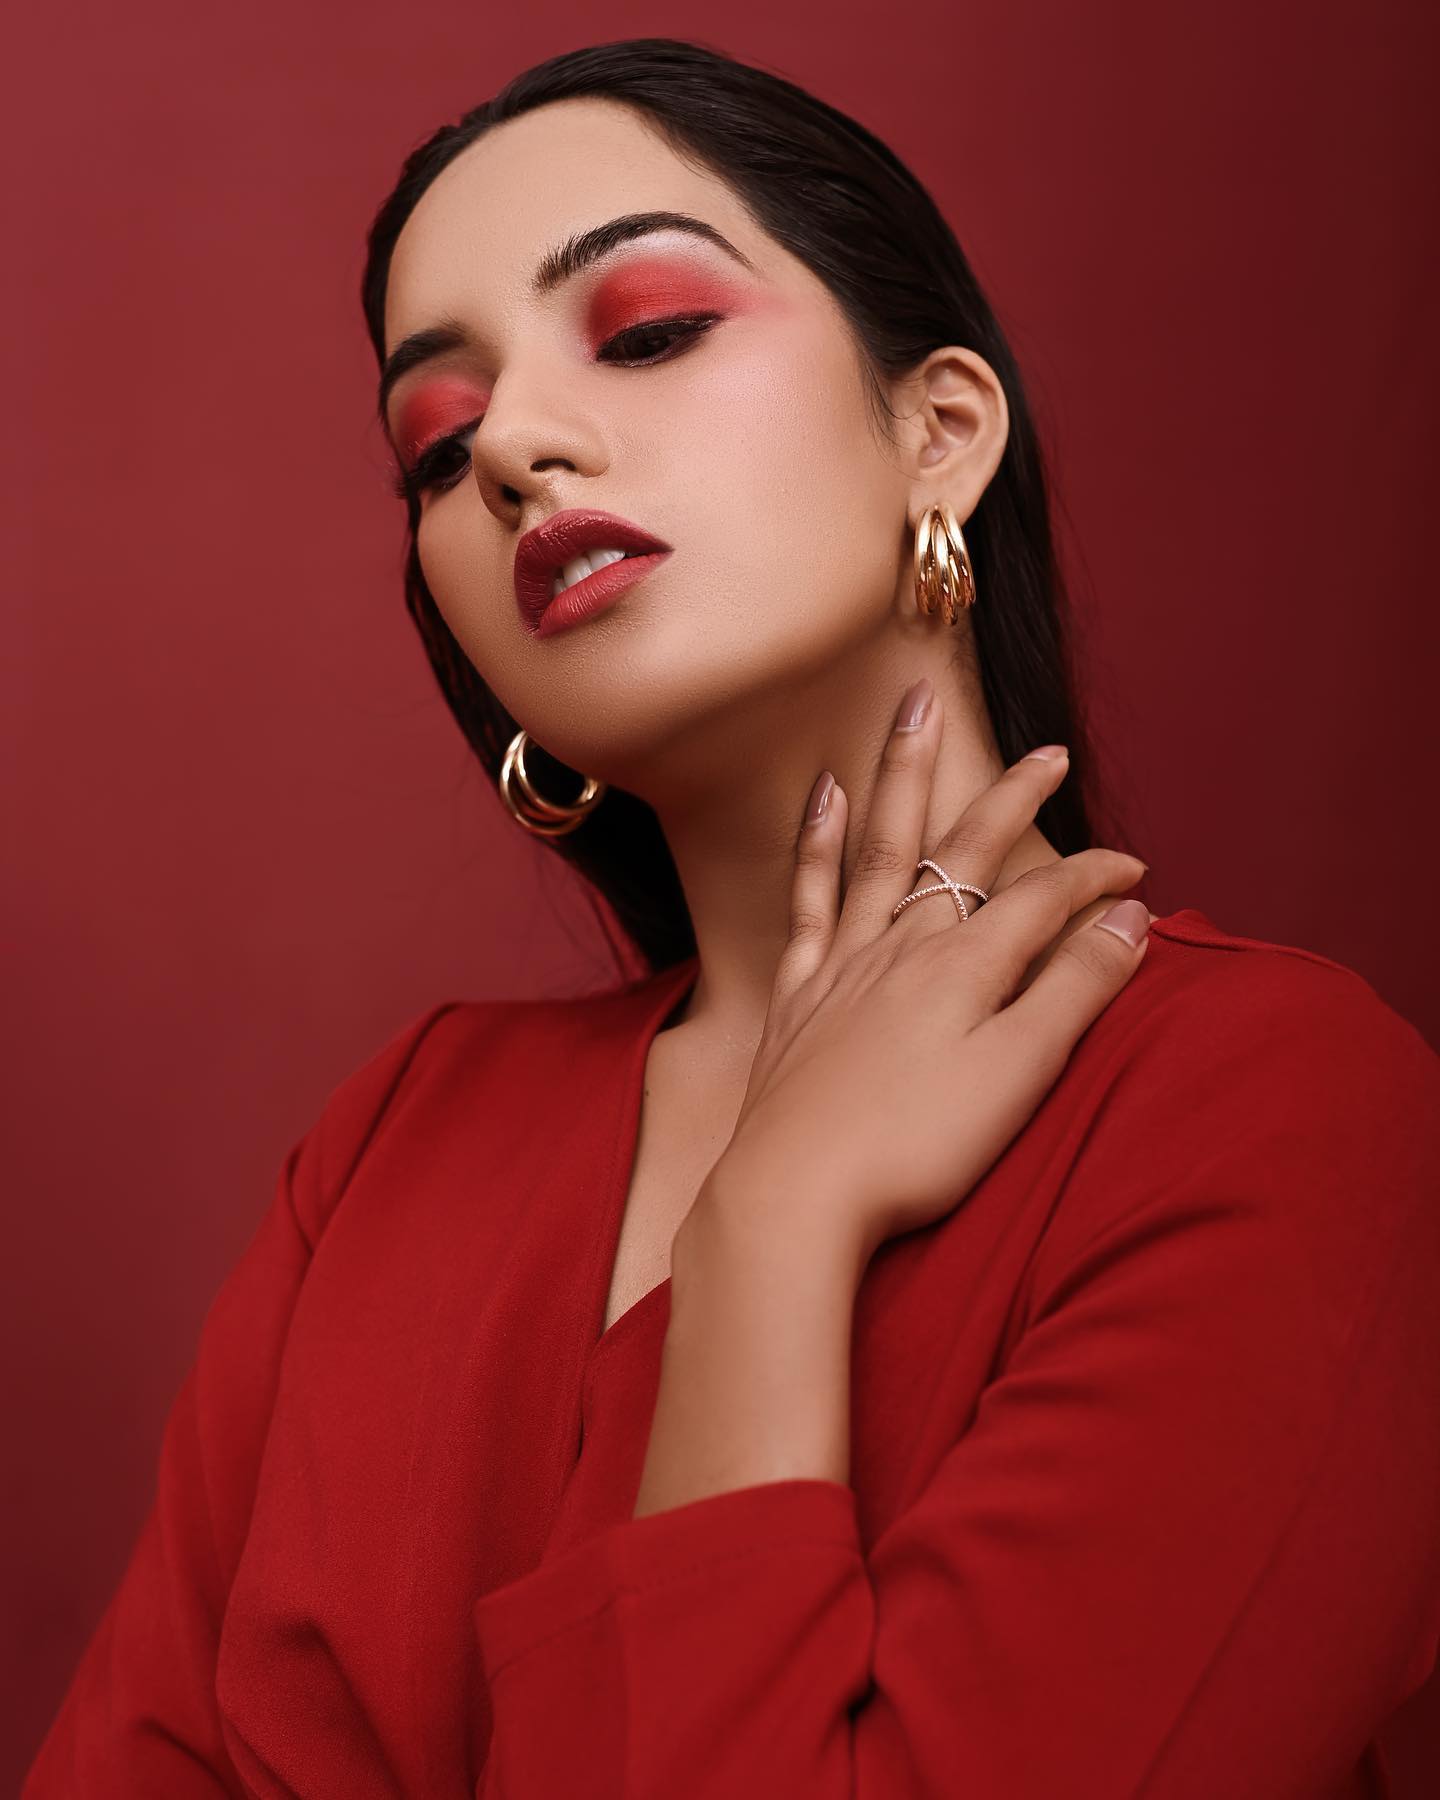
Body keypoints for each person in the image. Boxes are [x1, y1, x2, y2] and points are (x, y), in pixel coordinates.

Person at [25, 37, 1440, 1800]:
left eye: (646, 332)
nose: (512, 448)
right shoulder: (394, 1151)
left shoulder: (1271, 1106)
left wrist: (770, 1232)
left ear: (939, 432)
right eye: (438, 445)